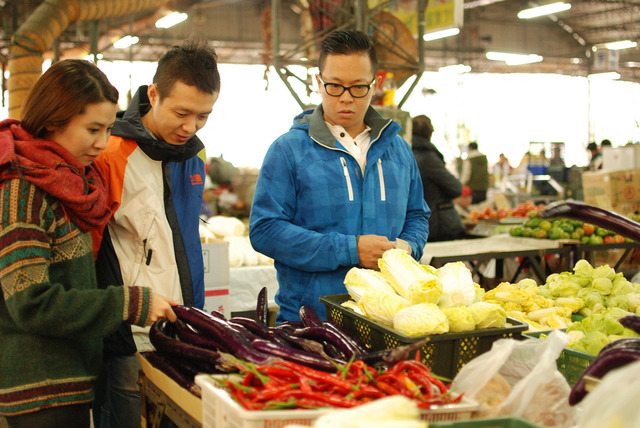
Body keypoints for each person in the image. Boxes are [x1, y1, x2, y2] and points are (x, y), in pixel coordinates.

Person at [0, 59, 178, 428]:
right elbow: (30, 303)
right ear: (54, 120)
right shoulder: (23, 191)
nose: (102, 143)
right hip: (38, 391)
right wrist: (130, 302)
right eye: (93, 129)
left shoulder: (69, 182)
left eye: (109, 129)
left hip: (72, 377)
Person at [249, 29, 430, 322]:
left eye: (358, 87)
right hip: (310, 322)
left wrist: (406, 248)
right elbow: (265, 231)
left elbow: (417, 215)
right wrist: (351, 249)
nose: (346, 98)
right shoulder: (289, 150)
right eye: (335, 86)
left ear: (376, 84)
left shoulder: (398, 150)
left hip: (388, 320)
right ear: (318, 82)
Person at [90, 41, 220, 428]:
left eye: (203, 116)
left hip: (181, 329)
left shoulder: (192, 155)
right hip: (130, 335)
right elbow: (91, 253)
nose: (191, 127)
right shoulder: (110, 153)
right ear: (153, 94)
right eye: (182, 113)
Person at [411, 115, 465, 242]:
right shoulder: (429, 158)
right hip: (436, 223)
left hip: (415, 225)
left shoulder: (408, 154)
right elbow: (456, 188)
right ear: (430, 133)